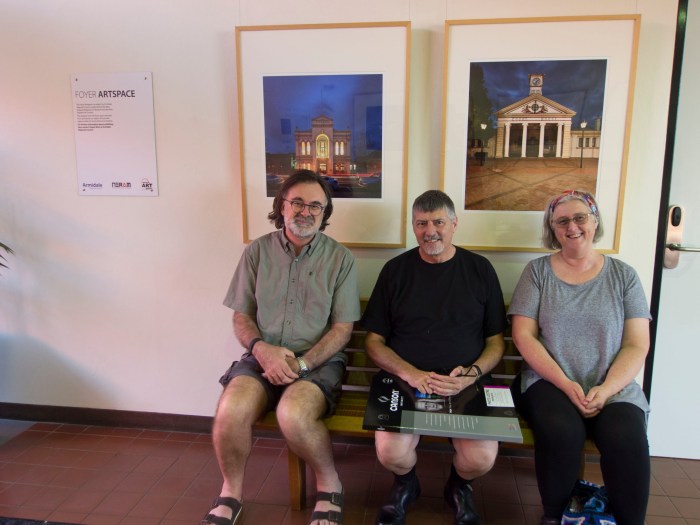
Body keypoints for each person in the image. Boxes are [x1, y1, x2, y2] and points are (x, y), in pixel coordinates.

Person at [201, 170, 360, 525]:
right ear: (282, 206)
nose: (306, 211)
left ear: (325, 212)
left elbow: (342, 330)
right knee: (230, 409)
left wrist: (302, 365)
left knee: (293, 414)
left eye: (315, 206)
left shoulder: (340, 259)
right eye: (297, 202)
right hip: (262, 356)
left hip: (318, 362)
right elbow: (242, 316)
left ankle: (330, 484)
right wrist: (262, 350)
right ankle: (231, 493)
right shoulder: (257, 252)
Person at [361, 190, 507, 525]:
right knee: (390, 452)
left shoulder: (480, 270)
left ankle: (458, 487)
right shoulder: (395, 271)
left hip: (465, 382)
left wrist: (471, 374)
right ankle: (406, 484)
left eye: (438, 222)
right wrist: (410, 373)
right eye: (421, 223)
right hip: (405, 379)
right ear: (413, 226)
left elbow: (496, 343)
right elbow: (373, 342)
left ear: (454, 224)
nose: (430, 231)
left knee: (481, 458)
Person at [508, 190, 651, 525]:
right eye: (562, 221)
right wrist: (565, 383)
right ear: (553, 229)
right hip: (549, 382)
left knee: (626, 436)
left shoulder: (624, 276)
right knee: (562, 432)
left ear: (594, 221)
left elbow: (636, 344)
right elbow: (523, 335)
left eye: (580, 218)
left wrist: (606, 389)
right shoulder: (537, 272)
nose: (572, 227)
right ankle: (555, 517)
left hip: (612, 386)